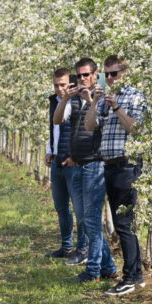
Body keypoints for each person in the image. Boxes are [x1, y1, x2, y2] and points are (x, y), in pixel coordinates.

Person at [84, 55, 147, 296]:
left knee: (124, 223)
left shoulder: (134, 96)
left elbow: (136, 129)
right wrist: (94, 102)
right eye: (106, 74)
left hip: (127, 165)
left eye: (114, 74)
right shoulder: (103, 98)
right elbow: (90, 126)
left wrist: (117, 107)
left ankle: (131, 276)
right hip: (109, 165)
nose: (109, 78)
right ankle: (135, 273)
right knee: (122, 222)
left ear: (124, 73)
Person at [54, 57, 117, 282]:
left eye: (85, 75)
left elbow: (97, 125)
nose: (81, 79)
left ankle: (93, 271)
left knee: (90, 219)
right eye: (78, 75)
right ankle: (108, 267)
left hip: (95, 164)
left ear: (95, 74)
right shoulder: (73, 100)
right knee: (86, 219)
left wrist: (91, 100)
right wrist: (64, 99)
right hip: (78, 165)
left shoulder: (101, 98)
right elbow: (57, 120)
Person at [45, 67, 86, 258]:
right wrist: (49, 150)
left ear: (71, 83)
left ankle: (82, 248)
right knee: (62, 208)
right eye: (56, 85)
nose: (59, 89)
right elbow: (53, 128)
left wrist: (73, 155)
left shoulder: (79, 100)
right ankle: (67, 246)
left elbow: (80, 131)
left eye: (62, 85)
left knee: (79, 209)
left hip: (72, 163)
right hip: (56, 161)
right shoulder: (54, 101)